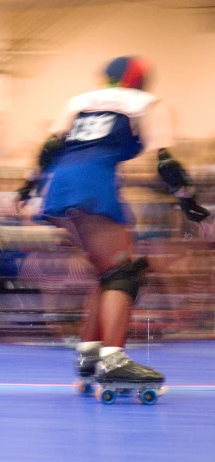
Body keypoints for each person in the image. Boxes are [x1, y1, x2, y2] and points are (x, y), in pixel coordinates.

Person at [17, 56, 209, 398]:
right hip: (92, 184)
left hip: (58, 185)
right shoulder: (146, 103)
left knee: (107, 272)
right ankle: (113, 359)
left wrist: (27, 189)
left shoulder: (80, 101)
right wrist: (190, 205)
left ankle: (89, 354)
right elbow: (165, 161)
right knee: (124, 271)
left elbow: (48, 150)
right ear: (142, 81)